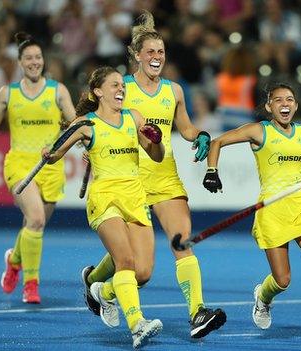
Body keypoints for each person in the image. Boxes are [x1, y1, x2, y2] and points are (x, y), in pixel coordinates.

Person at [81, 11, 226, 339]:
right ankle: (98, 286)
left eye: (161, 52)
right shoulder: (123, 89)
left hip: (165, 178)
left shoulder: (173, 90)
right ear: (136, 55)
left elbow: (185, 127)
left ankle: (197, 312)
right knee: (139, 271)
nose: (157, 57)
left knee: (182, 241)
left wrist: (200, 135)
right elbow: (103, 120)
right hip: (130, 182)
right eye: (150, 52)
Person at [203, 82, 301, 337]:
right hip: (272, 209)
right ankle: (263, 298)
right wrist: (212, 171)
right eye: (278, 100)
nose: (285, 104)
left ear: (296, 105)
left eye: (289, 100)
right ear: (269, 106)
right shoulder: (258, 131)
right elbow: (218, 142)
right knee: (282, 279)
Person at [41, 66, 165, 349]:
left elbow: (156, 156)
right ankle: (137, 325)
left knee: (143, 273)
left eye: (122, 85)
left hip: (135, 196)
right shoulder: (86, 124)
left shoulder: (134, 117)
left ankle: (99, 288)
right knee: (126, 262)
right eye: (114, 85)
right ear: (98, 92)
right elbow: (56, 153)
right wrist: (49, 154)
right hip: (105, 197)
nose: (121, 89)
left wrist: (156, 141)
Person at [0, 32, 76, 303]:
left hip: (51, 166)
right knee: (36, 220)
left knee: (33, 226)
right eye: (29, 58)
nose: (34, 62)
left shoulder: (58, 91)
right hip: (20, 164)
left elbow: (76, 124)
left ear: (44, 60)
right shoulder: (8, 93)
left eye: (38, 57)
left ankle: (14, 259)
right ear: (20, 62)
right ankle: (31, 285)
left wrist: (88, 140)